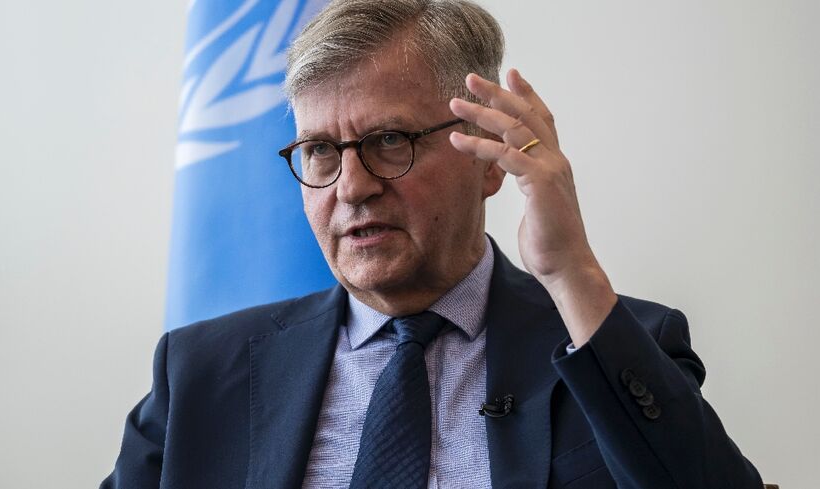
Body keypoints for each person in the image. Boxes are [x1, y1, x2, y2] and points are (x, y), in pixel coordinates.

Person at [102, 0, 765, 487]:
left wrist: (572, 273)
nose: (352, 186)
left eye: (389, 140)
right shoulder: (201, 372)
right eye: (320, 150)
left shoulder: (617, 346)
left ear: (489, 157)